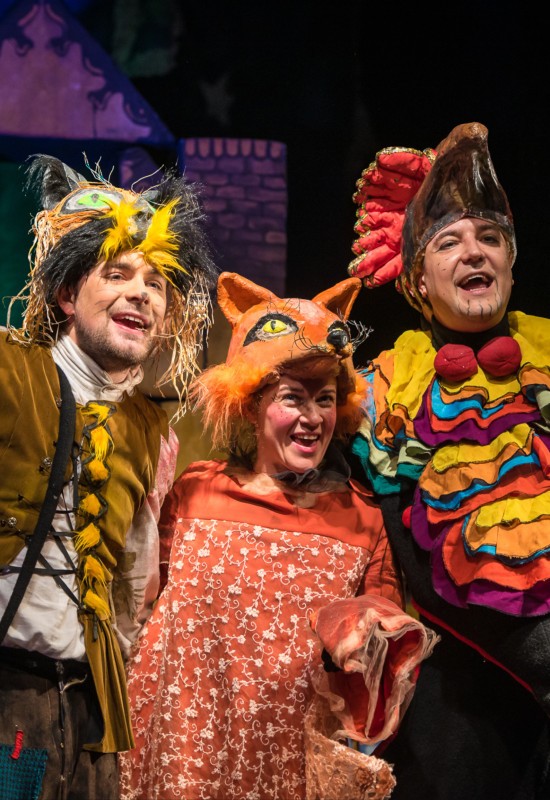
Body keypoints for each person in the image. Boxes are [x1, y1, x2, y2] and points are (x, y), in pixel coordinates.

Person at [118, 271, 438, 800]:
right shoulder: (196, 491)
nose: (312, 417)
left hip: (287, 770)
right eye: (293, 397)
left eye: (325, 399)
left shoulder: (363, 518)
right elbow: (141, 608)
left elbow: (383, 650)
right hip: (183, 759)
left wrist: (365, 631)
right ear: (250, 405)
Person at [0, 154, 218, 800]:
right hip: (9, 698)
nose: (141, 293)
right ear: (67, 296)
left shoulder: (149, 428)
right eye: (117, 274)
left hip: (91, 713)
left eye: (155, 283)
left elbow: (132, 573)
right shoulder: (10, 371)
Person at [346, 121, 550, 799]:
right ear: (417, 277)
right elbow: (408, 553)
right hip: (458, 698)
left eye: (490, 237)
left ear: (512, 261)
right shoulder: (385, 388)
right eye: (449, 241)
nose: (474, 252)